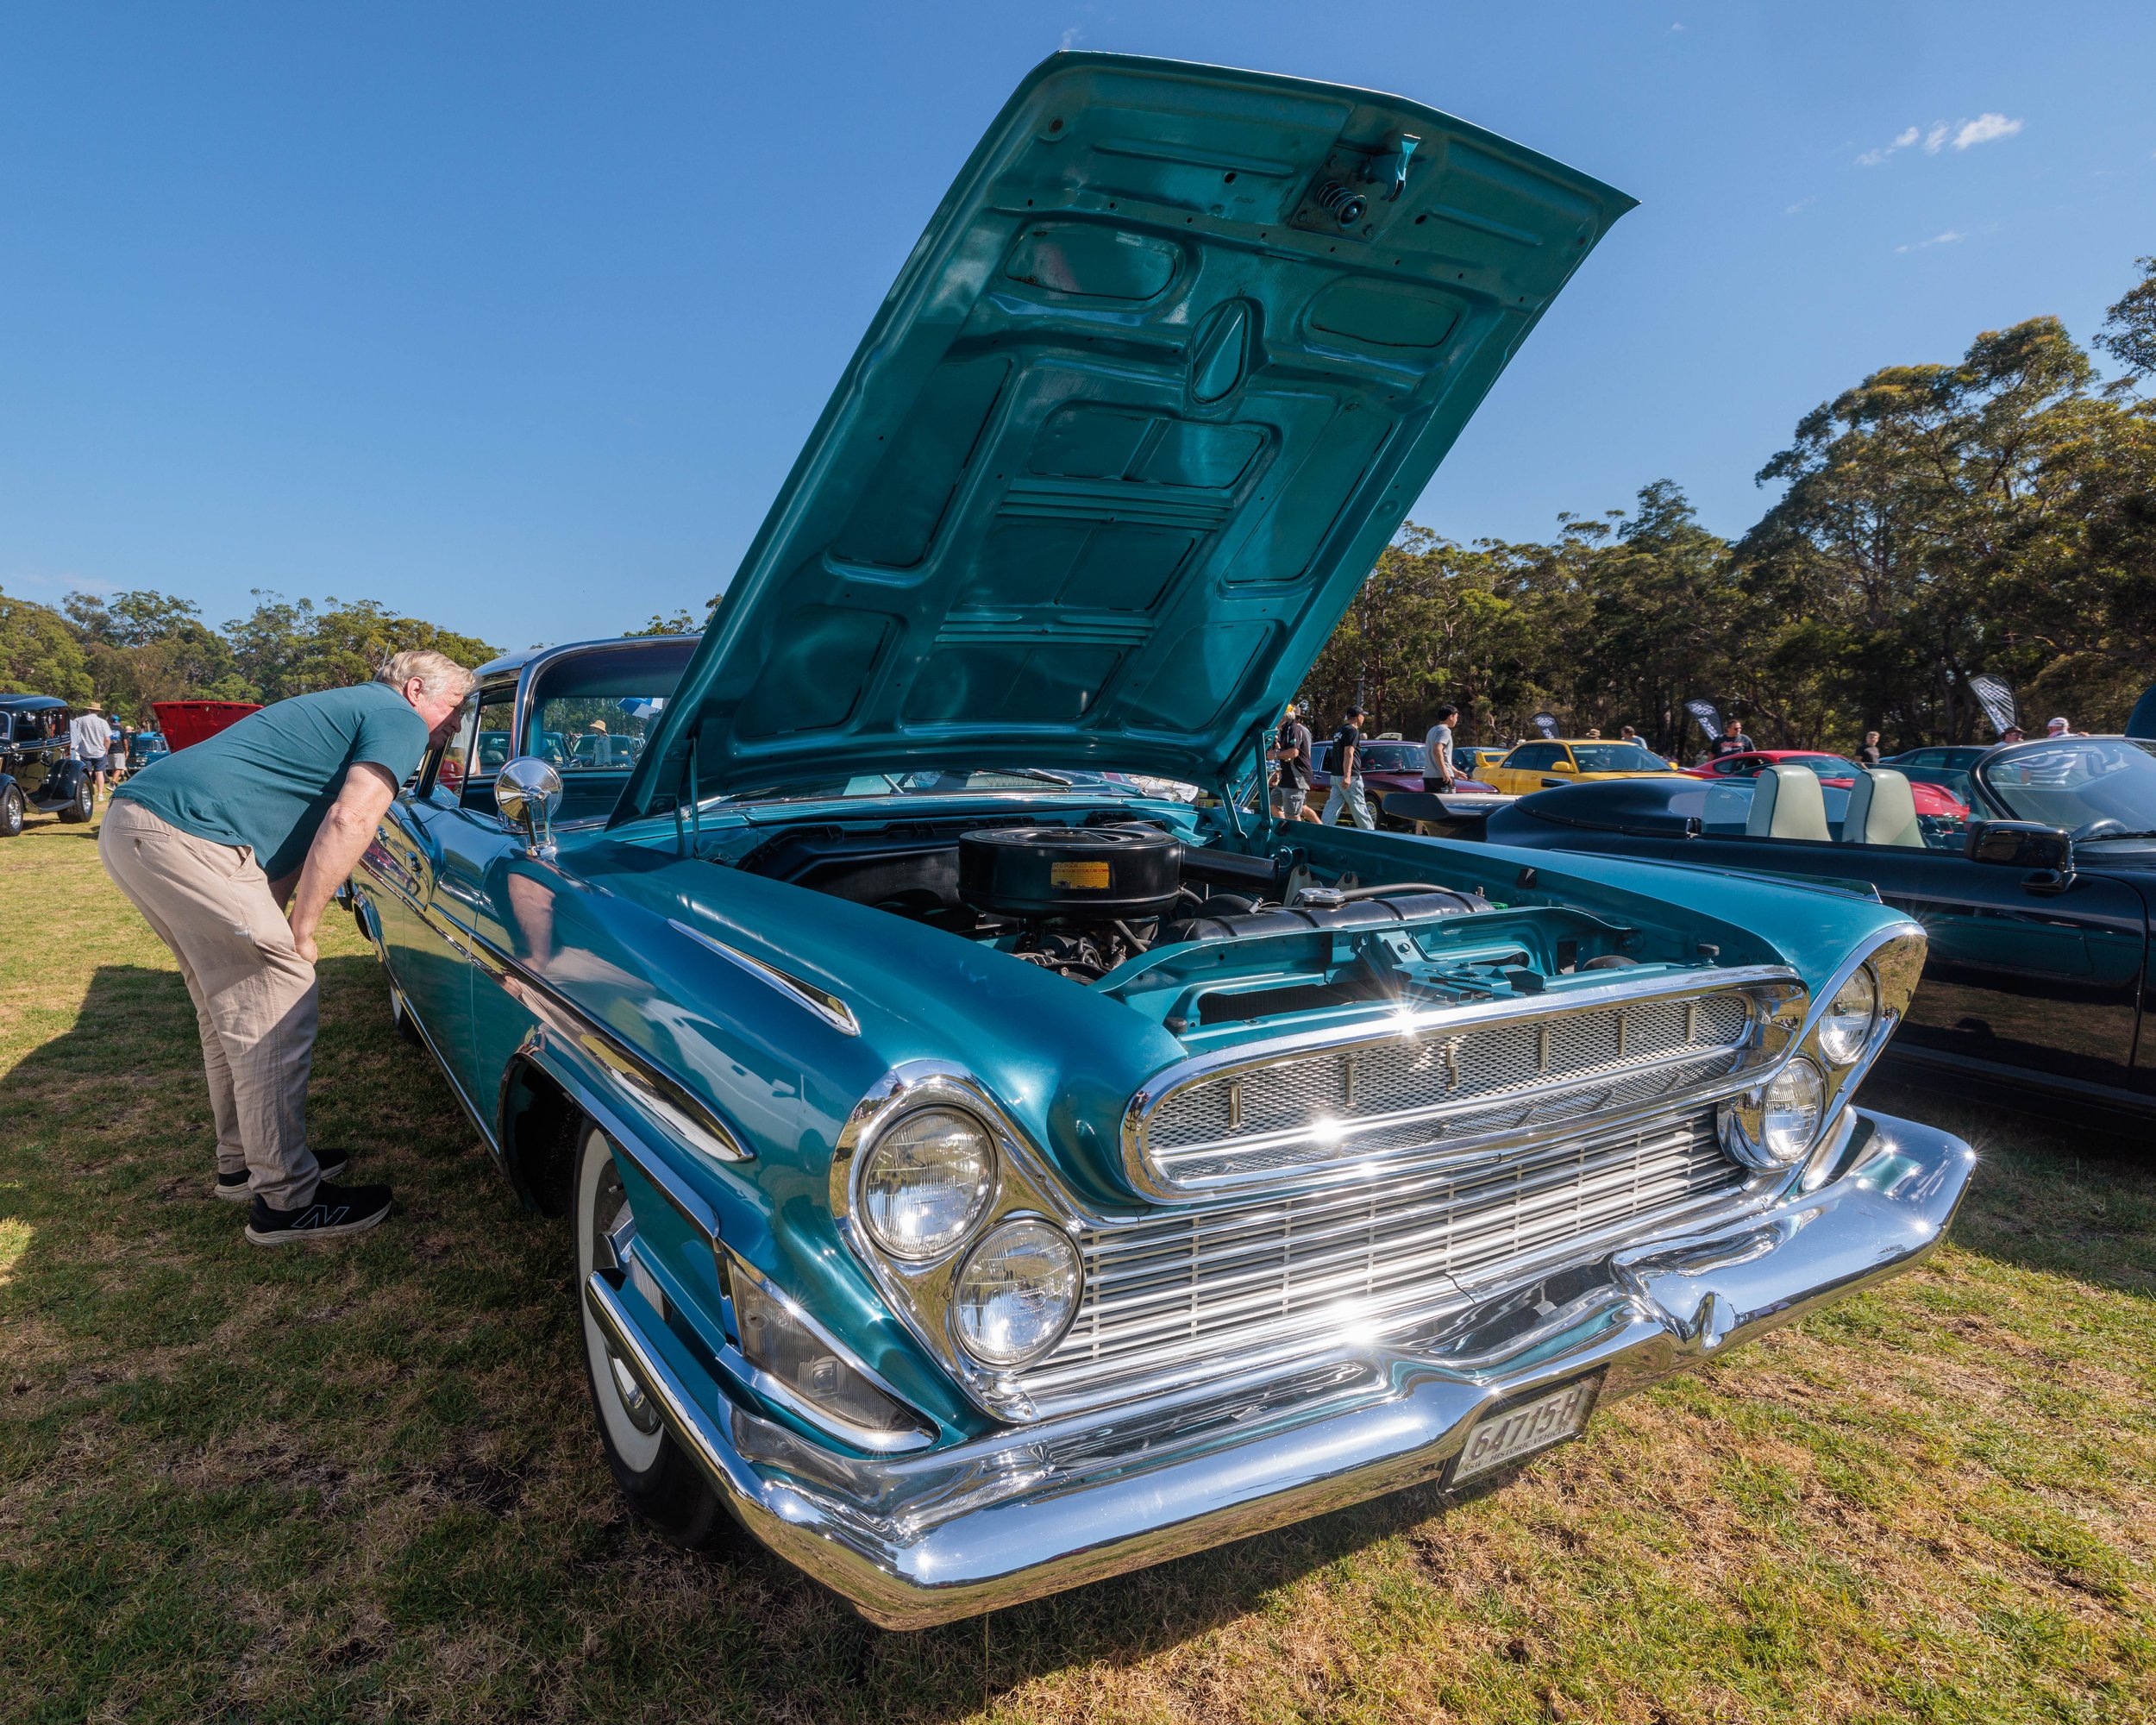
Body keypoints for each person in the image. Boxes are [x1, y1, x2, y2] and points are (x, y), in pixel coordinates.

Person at [99, 650, 475, 1245]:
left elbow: (287, 845)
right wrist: (303, 930)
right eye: (454, 706)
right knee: (278, 997)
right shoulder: (398, 718)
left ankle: (245, 1163)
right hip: (189, 834)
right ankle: (287, 1201)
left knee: (231, 1005)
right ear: (415, 690)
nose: (456, 723)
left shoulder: (348, 707)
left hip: (140, 825)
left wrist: (276, 920)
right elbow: (350, 820)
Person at [1323, 706, 1376, 829]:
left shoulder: (1340, 731)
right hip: (1349, 777)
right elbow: (1348, 753)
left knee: (1332, 807)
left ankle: (1323, 831)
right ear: (1358, 717)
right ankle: (1370, 835)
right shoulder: (1352, 730)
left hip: (1336, 775)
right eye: (1363, 716)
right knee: (1359, 807)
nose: (1363, 718)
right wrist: (1347, 776)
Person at [1269, 702, 1315, 823]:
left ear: (1283, 717)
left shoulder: (1294, 729)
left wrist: (1275, 754)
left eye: (1277, 716)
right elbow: (1285, 752)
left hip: (1296, 778)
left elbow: (1294, 752)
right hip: (1287, 777)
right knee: (1274, 803)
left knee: (1293, 815)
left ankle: (1297, 833)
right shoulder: (1285, 730)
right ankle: (1284, 830)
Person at [69, 702, 114, 802]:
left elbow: (74, 734)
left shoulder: (79, 720)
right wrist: (106, 749)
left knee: (87, 773)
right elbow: (107, 739)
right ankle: (100, 794)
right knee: (99, 773)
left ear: (88, 710)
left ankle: (88, 792)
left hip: (84, 751)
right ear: (98, 711)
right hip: (99, 751)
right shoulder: (102, 722)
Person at [1422, 704, 1459, 794]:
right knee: (1448, 802)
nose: (1456, 720)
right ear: (1451, 717)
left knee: (1432, 803)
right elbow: (1437, 750)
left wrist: (1455, 771)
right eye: (1456, 717)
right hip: (1441, 777)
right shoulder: (1445, 730)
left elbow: (1443, 757)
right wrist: (1445, 772)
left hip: (1429, 776)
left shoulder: (1432, 730)